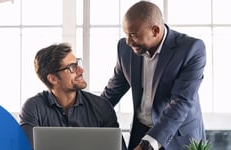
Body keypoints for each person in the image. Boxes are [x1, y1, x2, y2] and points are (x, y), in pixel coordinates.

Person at [101, 1, 206, 150]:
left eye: (133, 35)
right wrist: (83, 113)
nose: (128, 41)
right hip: (141, 132)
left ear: (155, 30)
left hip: (178, 137)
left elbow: (181, 101)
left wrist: (148, 143)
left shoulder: (191, 49)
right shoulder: (125, 48)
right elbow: (113, 91)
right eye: (126, 34)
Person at [19, 43, 127, 150]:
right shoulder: (33, 108)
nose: (81, 70)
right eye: (72, 67)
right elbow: (25, 148)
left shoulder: (102, 107)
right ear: (53, 79)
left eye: (77, 64)